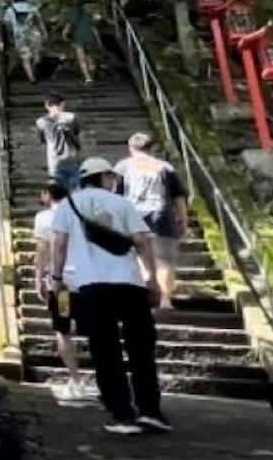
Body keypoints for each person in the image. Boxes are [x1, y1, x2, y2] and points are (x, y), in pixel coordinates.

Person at [47, 157, 171, 435]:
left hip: (91, 286)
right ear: (103, 177)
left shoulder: (69, 204)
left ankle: (122, 415)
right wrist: (152, 278)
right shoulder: (122, 204)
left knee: (106, 352)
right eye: (111, 177)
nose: (114, 181)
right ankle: (150, 411)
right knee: (141, 350)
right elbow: (142, 242)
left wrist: (56, 278)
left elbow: (59, 243)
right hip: (130, 285)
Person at [33, 182, 93, 404]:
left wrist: (38, 279)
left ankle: (76, 379)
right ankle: (108, 377)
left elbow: (42, 251)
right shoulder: (82, 215)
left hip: (62, 286)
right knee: (94, 329)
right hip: (87, 282)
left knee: (64, 329)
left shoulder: (44, 218)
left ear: (48, 194)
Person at [117, 132, 190, 311]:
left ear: (130, 148)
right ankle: (165, 300)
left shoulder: (122, 167)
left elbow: (115, 197)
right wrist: (183, 220)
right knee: (165, 259)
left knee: (136, 257)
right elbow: (179, 197)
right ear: (151, 148)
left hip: (133, 217)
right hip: (162, 215)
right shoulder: (165, 167)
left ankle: (143, 291)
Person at [35, 93, 83, 192]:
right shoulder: (71, 117)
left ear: (47, 105)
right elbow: (77, 133)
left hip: (54, 159)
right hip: (71, 157)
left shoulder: (40, 122)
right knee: (75, 188)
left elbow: (42, 140)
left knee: (56, 188)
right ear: (62, 104)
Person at [67, 1, 101, 83]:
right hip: (89, 36)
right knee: (89, 56)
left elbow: (69, 26)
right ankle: (92, 70)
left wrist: (65, 35)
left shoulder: (73, 13)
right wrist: (97, 38)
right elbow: (95, 23)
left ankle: (88, 77)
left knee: (81, 58)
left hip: (78, 38)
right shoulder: (88, 13)